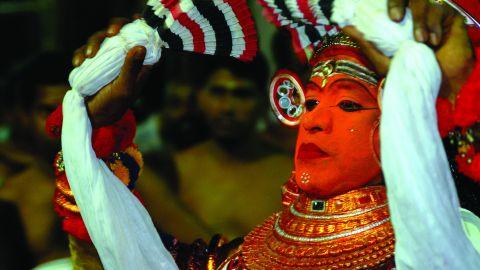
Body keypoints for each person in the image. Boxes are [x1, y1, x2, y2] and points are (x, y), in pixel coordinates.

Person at [48, 0, 480, 269]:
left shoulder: (458, 243)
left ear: (403, 117)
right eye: (309, 102)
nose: (314, 121)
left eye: (348, 104)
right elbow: (121, 255)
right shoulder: (252, 256)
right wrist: (94, 131)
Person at [0, 52, 69, 264]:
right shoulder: (14, 190)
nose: (63, 122)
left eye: (73, 109)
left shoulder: (120, 170)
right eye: (49, 110)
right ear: (23, 114)